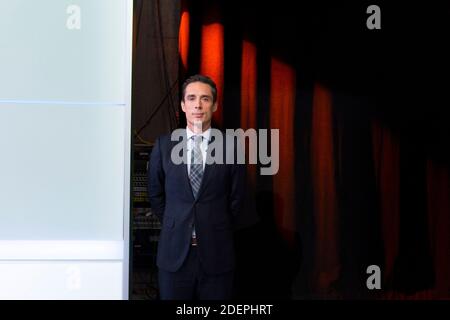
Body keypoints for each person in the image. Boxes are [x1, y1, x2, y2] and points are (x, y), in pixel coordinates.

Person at [148, 74, 246, 300]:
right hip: (174, 255)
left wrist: (212, 223)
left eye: (205, 98)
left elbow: (237, 198)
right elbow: (155, 194)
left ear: (215, 105)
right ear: (183, 105)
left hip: (217, 254)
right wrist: (176, 221)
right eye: (191, 98)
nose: (198, 105)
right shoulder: (164, 145)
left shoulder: (231, 146)